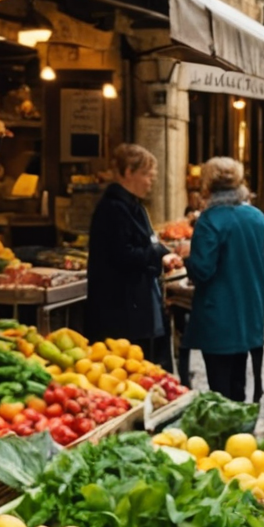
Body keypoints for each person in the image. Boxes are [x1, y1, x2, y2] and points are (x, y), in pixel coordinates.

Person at [186, 157, 264, 402]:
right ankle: (242, 432)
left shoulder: (209, 221)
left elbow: (202, 269)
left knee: (219, 386)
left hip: (217, 315)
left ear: (208, 186)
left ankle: (227, 434)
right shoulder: (258, 217)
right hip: (250, 312)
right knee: (238, 380)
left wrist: (187, 259)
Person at [85, 144, 176, 365]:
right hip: (121, 312)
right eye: (146, 174)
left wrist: (163, 253)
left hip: (135, 308)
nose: (151, 181)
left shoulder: (134, 207)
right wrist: (158, 254)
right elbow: (124, 255)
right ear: (127, 173)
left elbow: (147, 243)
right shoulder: (114, 209)